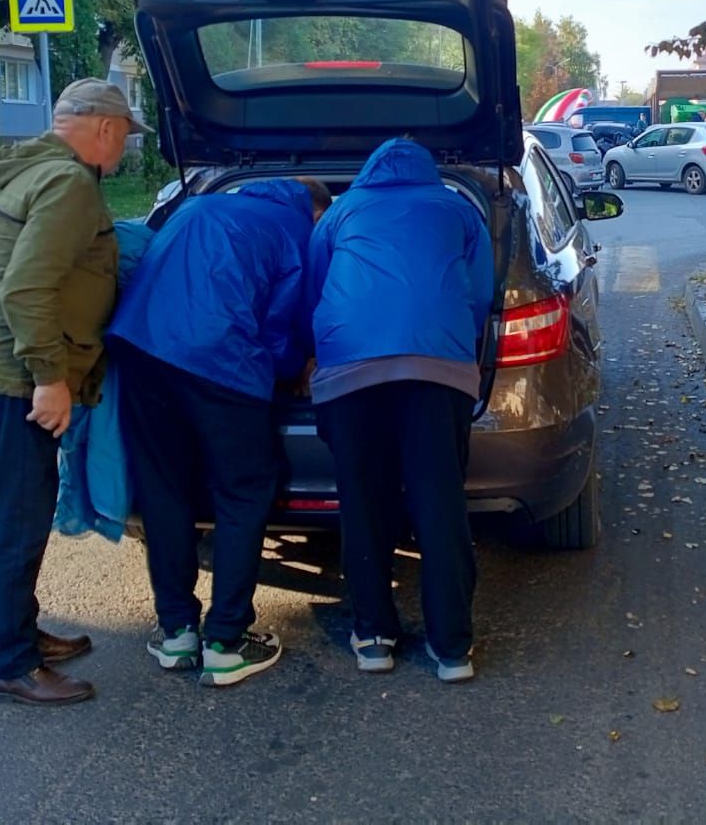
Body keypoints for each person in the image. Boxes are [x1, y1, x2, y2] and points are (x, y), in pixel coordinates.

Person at [0, 78, 149, 706]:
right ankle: (12, 663)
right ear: (106, 129)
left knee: (22, 511)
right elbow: (25, 287)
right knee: (18, 517)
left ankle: (22, 634)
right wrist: (49, 378)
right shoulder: (67, 183)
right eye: (124, 138)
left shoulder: (33, 170)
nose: (123, 151)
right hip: (16, 376)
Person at [106, 177, 329, 687]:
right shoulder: (295, 230)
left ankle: (177, 632)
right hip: (221, 362)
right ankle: (226, 640)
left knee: (163, 492)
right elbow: (280, 328)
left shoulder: (197, 205)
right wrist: (295, 370)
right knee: (244, 493)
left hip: (140, 353)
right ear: (315, 211)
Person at [307, 138, 494, 683]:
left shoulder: (341, 212)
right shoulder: (459, 209)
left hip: (350, 373)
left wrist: (309, 354)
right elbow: (480, 294)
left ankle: (373, 637)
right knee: (439, 505)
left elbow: (314, 290)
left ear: (367, 172)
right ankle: (452, 648)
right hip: (439, 372)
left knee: (363, 504)